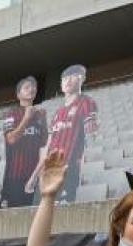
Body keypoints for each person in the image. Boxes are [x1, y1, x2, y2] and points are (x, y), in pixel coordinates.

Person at [33, 65, 99, 203]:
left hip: (68, 169)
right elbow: (48, 145)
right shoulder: (58, 112)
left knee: (58, 213)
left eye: (73, 76)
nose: (68, 81)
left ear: (82, 79)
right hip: (48, 170)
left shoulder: (86, 102)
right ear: (61, 85)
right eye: (64, 79)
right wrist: (35, 175)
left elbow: (91, 134)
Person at [1, 78, 48, 208]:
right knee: (12, 217)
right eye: (27, 87)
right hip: (15, 176)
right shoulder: (11, 113)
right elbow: (11, 139)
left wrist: (44, 122)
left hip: (34, 176)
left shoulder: (39, 115)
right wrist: (26, 119)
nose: (31, 89)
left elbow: (44, 142)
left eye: (33, 87)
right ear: (18, 94)